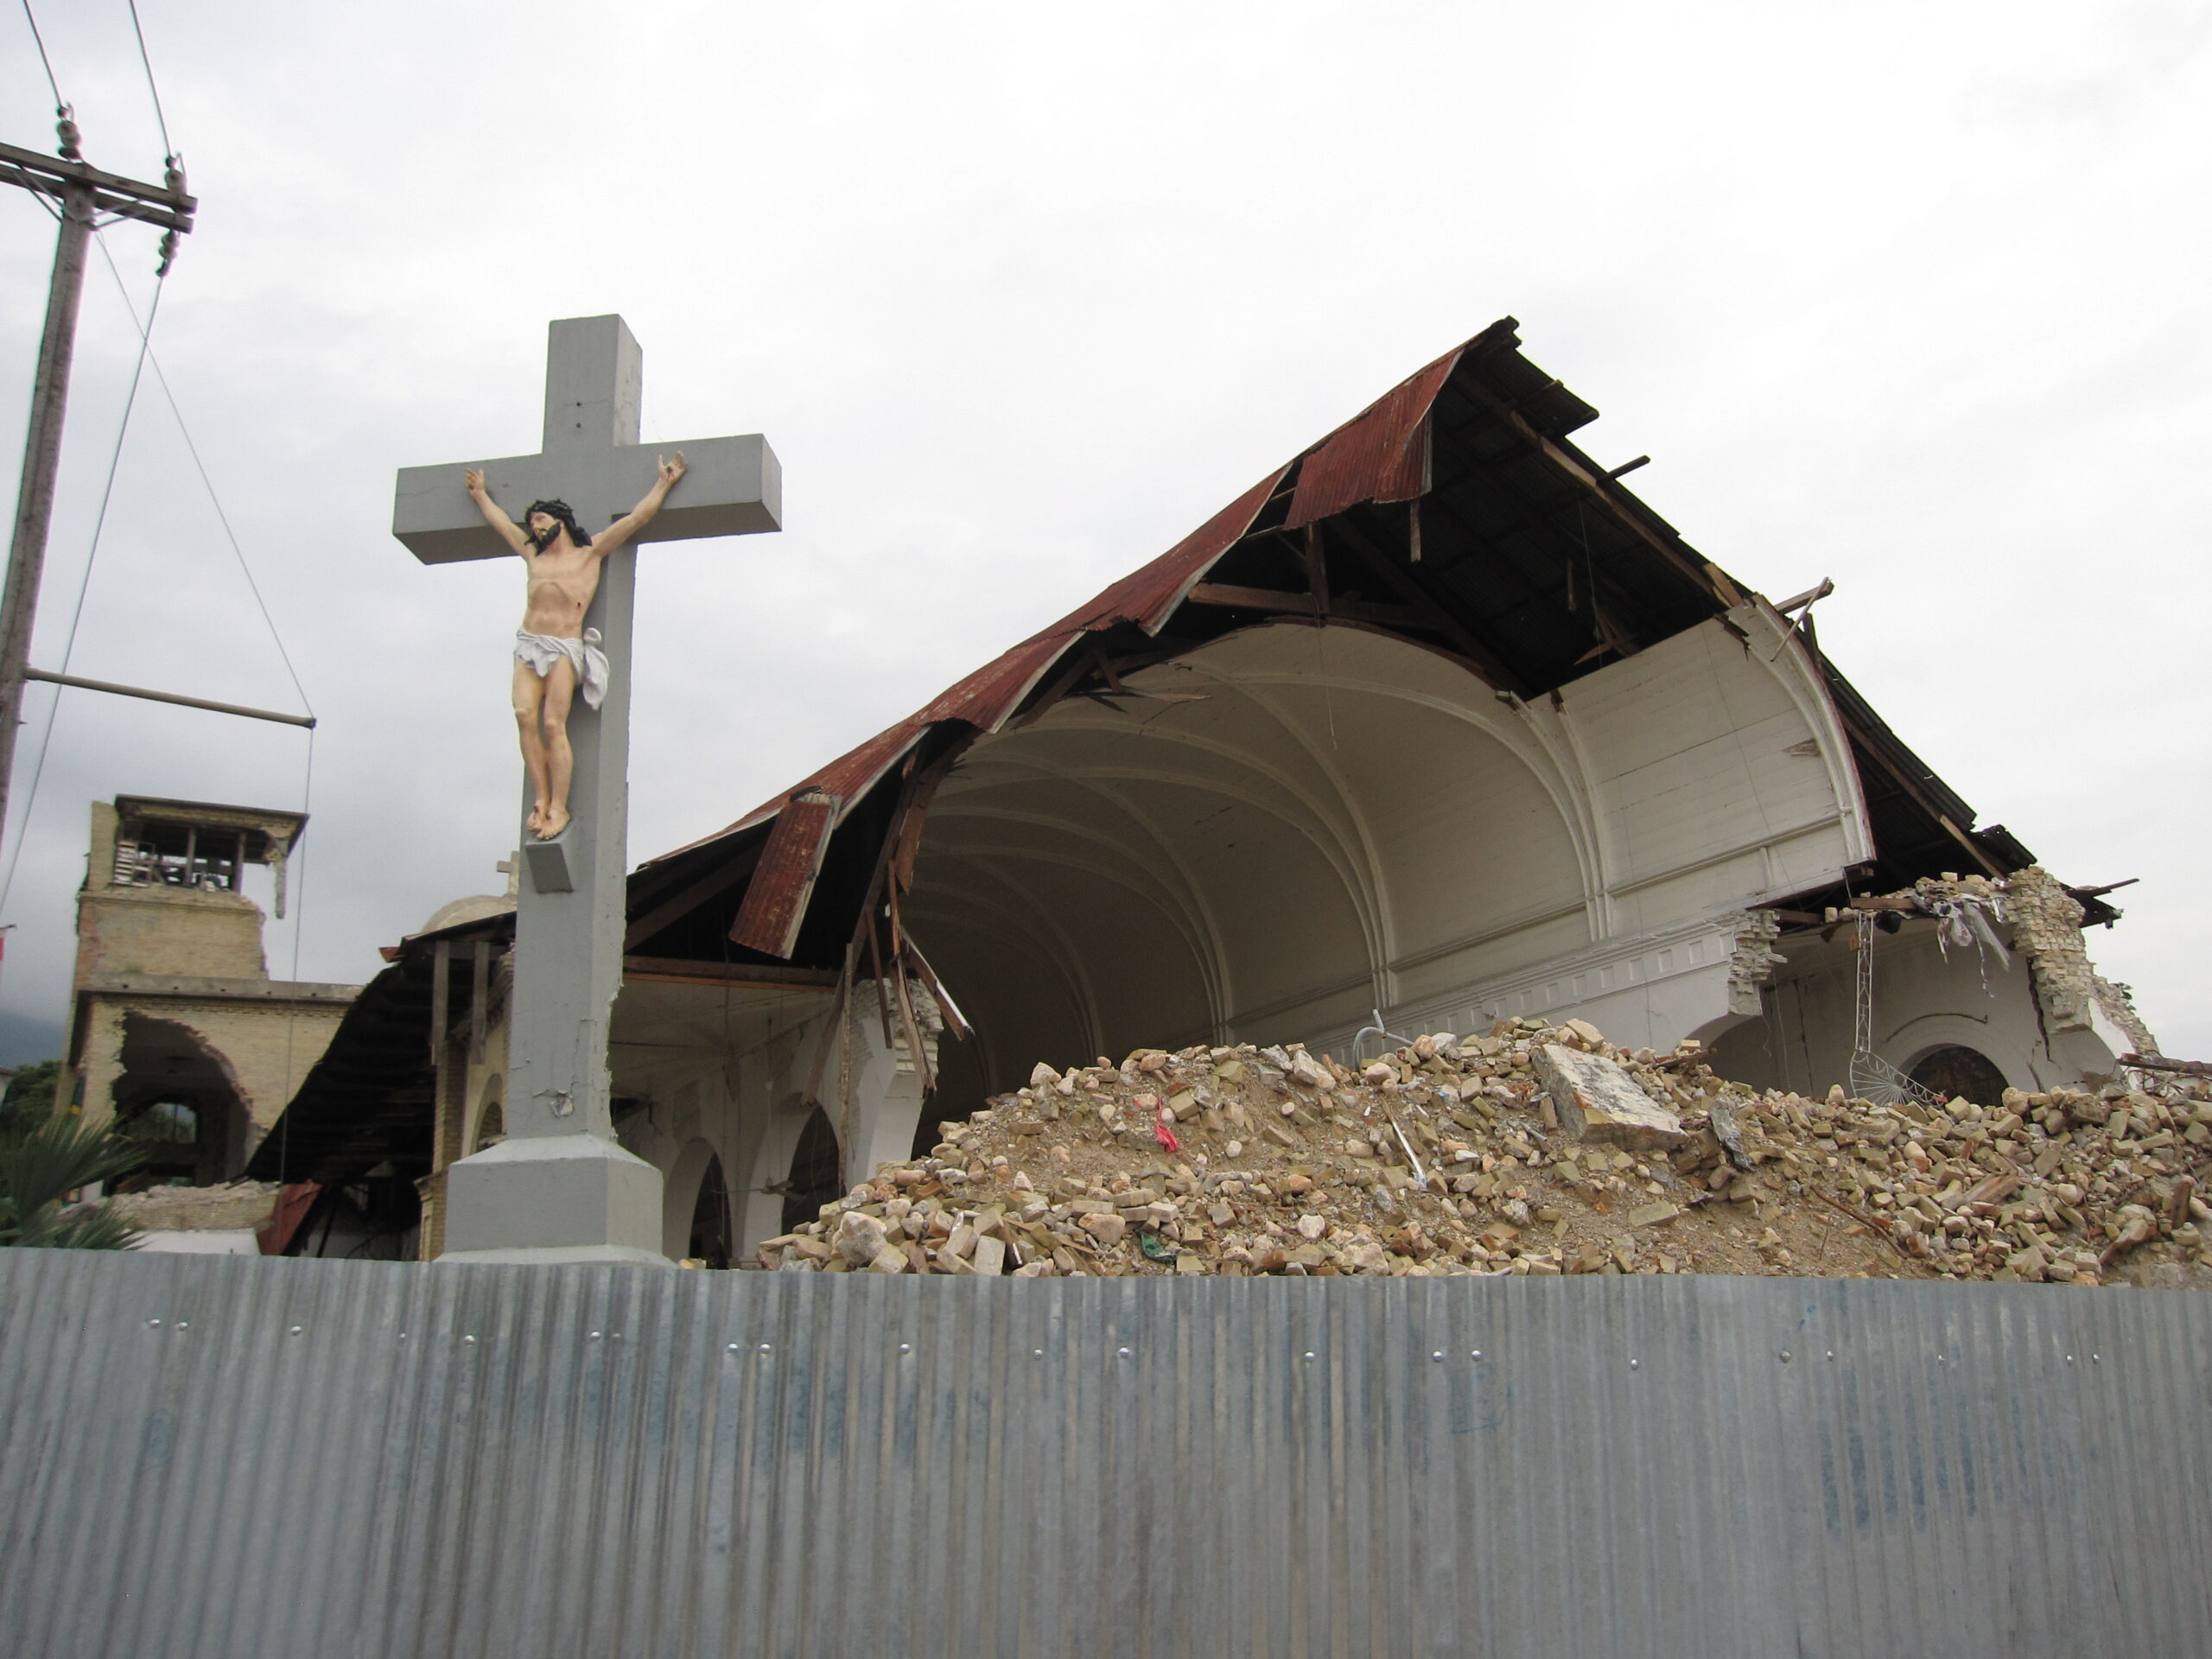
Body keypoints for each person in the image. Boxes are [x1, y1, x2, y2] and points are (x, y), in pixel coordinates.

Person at [463, 454, 686, 839]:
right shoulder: (531, 554)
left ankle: (559, 808)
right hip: (529, 645)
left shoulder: (590, 553)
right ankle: (541, 798)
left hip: (564, 647)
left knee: (553, 723)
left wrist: (664, 484)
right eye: (532, 522)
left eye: (541, 520)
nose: (534, 526)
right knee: (523, 715)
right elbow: (500, 523)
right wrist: (481, 496)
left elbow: (635, 519)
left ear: (560, 522)